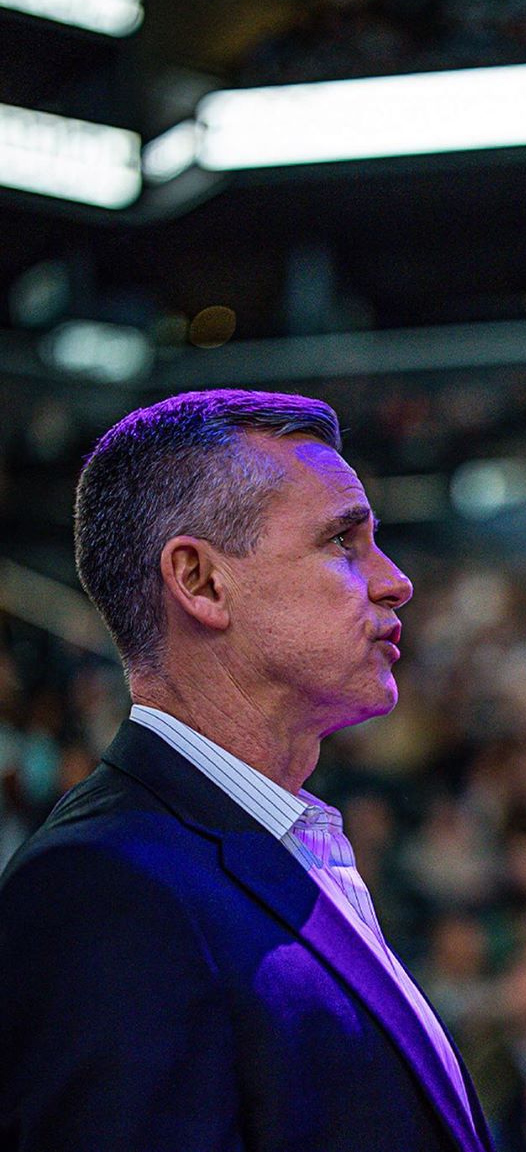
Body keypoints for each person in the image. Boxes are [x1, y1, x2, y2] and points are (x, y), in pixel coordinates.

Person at [0, 390, 493, 1151]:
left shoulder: (269, 842)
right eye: (343, 541)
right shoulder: (102, 888)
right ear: (200, 581)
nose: (396, 581)